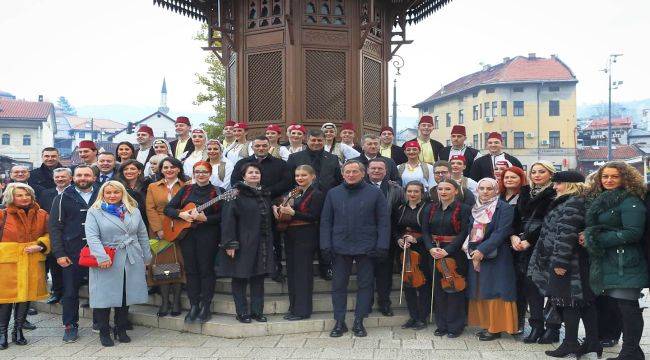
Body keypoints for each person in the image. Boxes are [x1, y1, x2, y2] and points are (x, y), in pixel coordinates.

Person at [527, 171, 601, 358]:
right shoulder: (572, 201)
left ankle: (570, 343)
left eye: (558, 183)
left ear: (569, 184)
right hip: (573, 260)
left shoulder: (572, 203)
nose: (554, 187)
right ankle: (593, 342)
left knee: (568, 302)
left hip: (569, 262)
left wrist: (560, 262)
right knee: (584, 302)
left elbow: (566, 234)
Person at [585, 161, 648, 360]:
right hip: (611, 260)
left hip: (626, 262)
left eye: (614, 176)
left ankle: (630, 352)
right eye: (605, 176)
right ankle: (633, 352)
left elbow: (633, 233)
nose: (609, 180)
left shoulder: (630, 201)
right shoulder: (605, 199)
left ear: (625, 178)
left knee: (628, 307)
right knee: (622, 306)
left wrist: (595, 238)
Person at [320, 160, 389, 337]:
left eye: (354, 172)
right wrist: (325, 245)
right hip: (340, 245)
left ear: (363, 173)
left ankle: (359, 320)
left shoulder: (375, 193)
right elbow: (326, 222)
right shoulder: (333, 193)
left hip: (367, 246)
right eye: (347, 172)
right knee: (338, 285)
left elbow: (383, 222)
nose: (351, 175)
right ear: (342, 174)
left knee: (365, 285)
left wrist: (382, 245)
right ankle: (339, 321)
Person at [85, 181, 151, 347]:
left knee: (125, 295)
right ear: (103, 194)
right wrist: (101, 257)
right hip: (107, 257)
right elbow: (92, 237)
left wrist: (146, 258)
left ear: (122, 193)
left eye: (116, 192)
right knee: (103, 296)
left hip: (131, 256)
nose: (112, 195)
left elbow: (142, 234)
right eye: (109, 193)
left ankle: (121, 329)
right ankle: (104, 331)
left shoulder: (133, 210)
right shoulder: (95, 211)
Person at [165, 161, 223, 324]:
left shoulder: (218, 192)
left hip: (208, 235)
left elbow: (224, 216)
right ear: (193, 173)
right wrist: (180, 214)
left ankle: (206, 306)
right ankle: (194, 305)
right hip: (187, 235)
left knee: (206, 270)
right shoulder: (186, 189)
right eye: (197, 171)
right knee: (191, 270)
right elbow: (168, 209)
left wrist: (207, 218)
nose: (201, 174)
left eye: (204, 171)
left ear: (210, 173)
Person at [461, 178, 518, 340]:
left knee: (496, 291)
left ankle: (496, 328)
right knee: (481, 289)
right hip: (476, 254)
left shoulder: (504, 208)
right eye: (482, 188)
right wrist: (472, 249)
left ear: (496, 191)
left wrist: (482, 250)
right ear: (477, 190)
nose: (485, 192)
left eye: (489, 189)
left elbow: (501, 232)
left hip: (497, 255)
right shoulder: (475, 207)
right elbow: (470, 230)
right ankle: (487, 324)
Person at [218, 163, 274, 323]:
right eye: (250, 172)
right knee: (240, 277)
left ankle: (257, 311)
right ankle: (242, 312)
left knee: (258, 277)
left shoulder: (264, 194)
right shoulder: (234, 194)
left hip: (261, 242)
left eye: (257, 172)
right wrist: (229, 244)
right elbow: (228, 220)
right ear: (243, 176)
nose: (254, 175)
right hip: (242, 242)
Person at [230, 136, 292, 281]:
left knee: (273, 239)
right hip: (247, 208)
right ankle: (251, 269)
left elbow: (287, 182)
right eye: (258, 146)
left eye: (264, 145)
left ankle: (275, 269)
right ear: (253, 147)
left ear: (269, 145)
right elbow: (234, 182)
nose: (261, 148)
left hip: (271, 205)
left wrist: (267, 192)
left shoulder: (280, 164)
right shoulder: (242, 163)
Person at [49, 165, 99, 343]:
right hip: (72, 252)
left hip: (98, 251)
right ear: (73, 178)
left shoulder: (102, 194)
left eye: (87, 175)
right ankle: (70, 325)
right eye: (79, 175)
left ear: (93, 177)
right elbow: (55, 228)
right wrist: (59, 253)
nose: (83, 178)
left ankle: (99, 321)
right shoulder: (62, 198)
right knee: (70, 292)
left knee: (98, 289)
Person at [510, 162, 558, 344]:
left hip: (543, 245)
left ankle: (552, 327)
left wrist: (529, 240)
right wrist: (513, 236)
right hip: (521, 244)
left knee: (547, 287)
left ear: (551, 174)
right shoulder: (525, 191)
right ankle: (536, 325)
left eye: (542, 172)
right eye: (534, 172)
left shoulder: (554, 194)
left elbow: (548, 222)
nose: (537, 175)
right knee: (529, 287)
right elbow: (516, 218)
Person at [287, 129, 342, 280]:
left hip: (327, 202)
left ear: (324, 140)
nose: (316, 143)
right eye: (313, 140)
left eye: (319, 140)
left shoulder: (332, 158)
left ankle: (326, 267)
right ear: (307, 140)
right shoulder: (295, 157)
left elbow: (338, 181)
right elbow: (289, 181)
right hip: (303, 204)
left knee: (326, 236)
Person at [0, 183, 50, 350]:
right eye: (19, 195)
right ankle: (2, 332)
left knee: (26, 297)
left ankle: (18, 330)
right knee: (5, 299)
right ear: (10, 197)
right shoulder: (2, 214)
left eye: (27, 194)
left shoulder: (42, 214)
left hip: (31, 260)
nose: (24, 198)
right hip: (7, 263)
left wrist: (42, 245)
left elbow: (50, 234)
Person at [274, 165, 324, 320]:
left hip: (306, 236)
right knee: (292, 273)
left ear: (313, 177)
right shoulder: (293, 192)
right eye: (297, 175)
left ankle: (302, 311)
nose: (300, 178)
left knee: (303, 274)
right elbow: (280, 204)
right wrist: (276, 209)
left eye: (304, 175)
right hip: (290, 235)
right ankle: (294, 307)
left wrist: (294, 213)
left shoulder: (317, 194)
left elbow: (315, 216)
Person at [427, 179, 472, 337]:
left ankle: (455, 326)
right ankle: (442, 325)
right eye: (440, 189)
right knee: (438, 290)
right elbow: (425, 231)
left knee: (454, 289)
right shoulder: (431, 208)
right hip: (434, 253)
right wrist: (431, 248)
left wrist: (448, 251)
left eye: (447, 189)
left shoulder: (464, 209)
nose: (443, 192)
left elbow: (465, 233)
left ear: (456, 191)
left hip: (455, 254)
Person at [145, 157, 186, 317]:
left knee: (178, 263)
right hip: (159, 231)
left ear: (178, 169)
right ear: (161, 170)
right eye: (165, 167)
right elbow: (150, 209)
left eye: (172, 167)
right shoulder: (153, 186)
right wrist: (158, 229)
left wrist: (179, 229)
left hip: (180, 229)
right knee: (162, 265)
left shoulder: (186, 186)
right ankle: (164, 302)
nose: (169, 170)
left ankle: (176, 301)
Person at [366, 158, 404, 317]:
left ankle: (384, 303)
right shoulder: (358, 187)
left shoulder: (395, 189)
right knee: (366, 272)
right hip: (364, 237)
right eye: (373, 168)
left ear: (386, 171)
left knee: (385, 272)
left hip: (387, 237)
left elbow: (399, 215)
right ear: (367, 171)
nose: (376, 171)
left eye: (380, 169)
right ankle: (366, 303)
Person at [394, 181, 431, 331]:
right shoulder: (400, 208)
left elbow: (430, 230)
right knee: (408, 283)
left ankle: (422, 317)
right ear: (405, 192)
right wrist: (399, 239)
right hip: (404, 250)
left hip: (421, 249)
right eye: (410, 191)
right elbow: (395, 229)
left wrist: (417, 239)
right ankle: (413, 316)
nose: (413, 194)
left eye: (416, 191)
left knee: (422, 284)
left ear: (422, 193)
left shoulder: (428, 209)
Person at [38, 168, 72, 306]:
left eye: (63, 177)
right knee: (54, 264)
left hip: (71, 234)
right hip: (52, 234)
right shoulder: (46, 194)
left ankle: (68, 294)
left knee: (69, 267)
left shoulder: (76, 193)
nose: (60, 179)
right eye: (57, 177)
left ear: (71, 178)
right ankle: (56, 292)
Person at [117, 159, 149, 228]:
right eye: (126, 169)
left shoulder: (147, 185)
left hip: (144, 221)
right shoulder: (117, 186)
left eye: (132, 169)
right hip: (123, 222)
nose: (129, 171)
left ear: (139, 171)